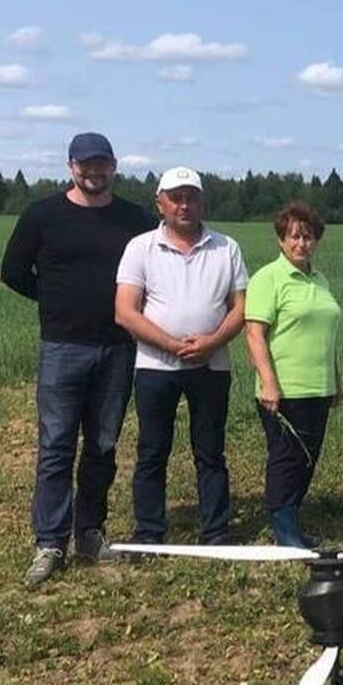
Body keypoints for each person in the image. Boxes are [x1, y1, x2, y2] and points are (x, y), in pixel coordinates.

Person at [0, 132, 157, 587]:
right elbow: (12, 272)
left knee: (103, 446)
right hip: (62, 348)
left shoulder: (136, 220)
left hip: (118, 347)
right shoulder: (43, 216)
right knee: (55, 446)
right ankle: (50, 542)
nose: (94, 171)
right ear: (71, 166)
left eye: (102, 163)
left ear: (114, 166)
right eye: (85, 164)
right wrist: (51, 300)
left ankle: (89, 532)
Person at [114, 167, 248, 545]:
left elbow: (240, 307)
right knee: (153, 451)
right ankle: (150, 532)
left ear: (203, 202)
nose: (184, 204)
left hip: (212, 365)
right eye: (176, 197)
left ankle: (216, 532)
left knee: (210, 451)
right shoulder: (140, 247)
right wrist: (173, 346)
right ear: (160, 203)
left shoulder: (227, 247)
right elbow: (125, 311)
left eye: (191, 197)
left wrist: (211, 342)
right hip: (156, 366)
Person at [244, 203, 343, 548]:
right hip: (284, 388)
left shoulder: (320, 279)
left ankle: (293, 521)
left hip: (319, 386)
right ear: (281, 240)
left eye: (309, 237)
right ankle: (283, 527)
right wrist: (269, 383)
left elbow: (327, 335)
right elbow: (255, 333)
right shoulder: (268, 279)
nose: (303, 243)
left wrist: (337, 380)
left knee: (308, 457)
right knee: (287, 458)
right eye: (295, 237)